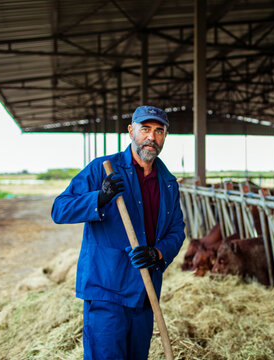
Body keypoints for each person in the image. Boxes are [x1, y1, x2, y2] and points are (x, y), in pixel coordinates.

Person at [51, 105, 186, 360]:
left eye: (159, 131)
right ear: (131, 131)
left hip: (145, 294)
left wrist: (157, 252)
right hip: (106, 292)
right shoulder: (103, 168)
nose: (151, 137)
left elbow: (177, 231)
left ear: (165, 136)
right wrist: (99, 197)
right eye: (145, 129)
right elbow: (60, 209)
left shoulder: (168, 182)